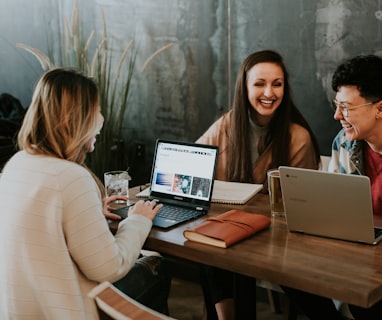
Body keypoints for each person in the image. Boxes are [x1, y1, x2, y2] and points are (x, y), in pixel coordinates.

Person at [0, 68, 171, 319]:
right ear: (74, 119)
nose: (101, 118)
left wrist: (89, 210)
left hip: (21, 309)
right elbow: (109, 268)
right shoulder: (71, 177)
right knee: (158, 266)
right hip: (62, 311)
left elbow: (42, 228)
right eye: (97, 110)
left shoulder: (17, 164)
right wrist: (138, 219)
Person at [196, 50, 320, 320]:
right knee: (207, 245)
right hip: (230, 229)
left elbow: (302, 205)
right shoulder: (229, 124)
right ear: (245, 87)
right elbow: (195, 161)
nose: (269, 92)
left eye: (277, 84)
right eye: (259, 83)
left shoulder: (297, 137)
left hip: (277, 239)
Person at [282, 54, 382, 320]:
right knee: (288, 272)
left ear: (379, 109)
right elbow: (330, 210)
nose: (337, 115)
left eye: (346, 107)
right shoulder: (344, 143)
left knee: (366, 297)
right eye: (336, 105)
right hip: (354, 252)